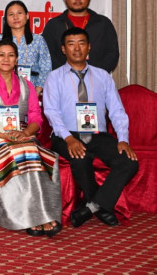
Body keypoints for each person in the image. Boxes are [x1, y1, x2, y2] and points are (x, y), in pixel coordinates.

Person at [44, 27, 138, 227]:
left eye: (81, 43)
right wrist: (69, 138)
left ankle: (92, 207)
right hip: (66, 134)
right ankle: (102, 206)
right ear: (63, 49)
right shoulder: (54, 77)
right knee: (80, 158)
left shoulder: (103, 76)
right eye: (71, 44)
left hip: (97, 134)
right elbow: (52, 112)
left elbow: (117, 110)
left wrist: (123, 139)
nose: (77, 48)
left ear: (89, 47)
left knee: (129, 161)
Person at [0, 40, 62, 237]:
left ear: (17, 59)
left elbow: (36, 117)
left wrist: (26, 134)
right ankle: (25, 217)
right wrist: (2, 135)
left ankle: (44, 214)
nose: (6, 59)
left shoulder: (27, 85)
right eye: (1, 55)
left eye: (11, 55)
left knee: (38, 152)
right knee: (17, 150)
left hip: (20, 132)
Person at [42, 0, 119, 73]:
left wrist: (95, 74)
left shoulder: (103, 23)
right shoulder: (53, 25)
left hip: (97, 79)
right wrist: (66, 74)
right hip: (62, 79)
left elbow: (112, 54)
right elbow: (46, 55)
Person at [0, 1, 51, 94]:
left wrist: (37, 90)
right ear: (6, 19)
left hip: (32, 90)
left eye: (19, 13)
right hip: (2, 90)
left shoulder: (38, 40)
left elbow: (46, 68)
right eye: (11, 14)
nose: (15, 17)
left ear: (27, 16)